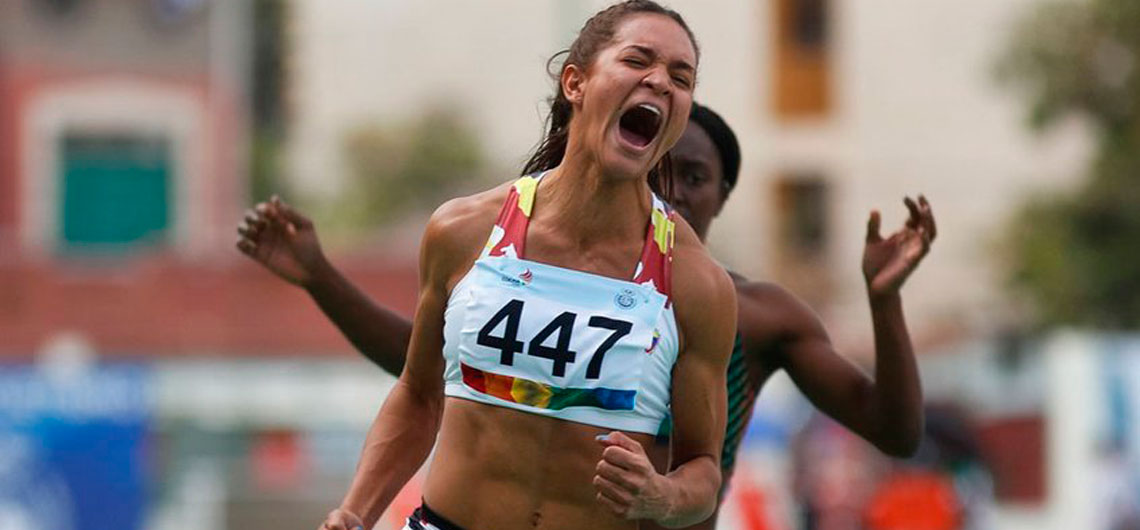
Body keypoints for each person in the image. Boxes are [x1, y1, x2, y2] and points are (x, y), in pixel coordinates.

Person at [240, 99, 935, 529]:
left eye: (695, 178)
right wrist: (323, 279)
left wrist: (884, 302)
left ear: (724, 196)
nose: (674, 191)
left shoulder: (755, 315)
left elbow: (896, 431)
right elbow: (436, 375)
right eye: (664, 171)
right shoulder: (546, 278)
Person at [240, 3, 740, 530]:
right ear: (575, 82)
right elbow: (417, 394)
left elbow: (702, 468)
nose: (660, 81)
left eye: (681, 78)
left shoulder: (695, 282)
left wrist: (660, 496)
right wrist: (354, 512)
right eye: (638, 60)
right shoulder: (463, 231)